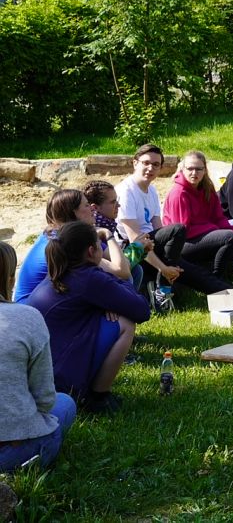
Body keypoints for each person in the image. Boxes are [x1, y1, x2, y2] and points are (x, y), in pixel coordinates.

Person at [25, 221, 151, 414]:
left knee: (114, 316)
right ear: (92, 251)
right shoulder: (89, 278)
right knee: (126, 323)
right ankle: (98, 396)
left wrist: (106, 302)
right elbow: (142, 310)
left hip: (37, 376)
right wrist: (116, 288)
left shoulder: (62, 270)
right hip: (59, 380)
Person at [116, 144, 231, 310]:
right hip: (132, 250)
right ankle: (163, 287)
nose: (150, 168)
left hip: (152, 246)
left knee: (197, 275)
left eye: (156, 165)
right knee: (178, 230)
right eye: (146, 163)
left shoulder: (152, 191)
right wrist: (164, 269)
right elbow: (136, 240)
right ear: (135, 163)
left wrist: (169, 262)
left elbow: (159, 230)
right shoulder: (126, 191)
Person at [0, 241, 77, 472]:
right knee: (64, 404)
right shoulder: (28, 318)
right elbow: (45, 400)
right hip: (12, 452)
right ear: (10, 278)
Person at [14, 189, 132, 302]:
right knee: (120, 299)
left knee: (132, 273)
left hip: (54, 298)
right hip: (34, 310)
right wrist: (108, 234)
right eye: (86, 205)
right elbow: (122, 271)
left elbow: (124, 266)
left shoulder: (72, 232)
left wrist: (107, 235)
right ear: (73, 212)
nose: (92, 207)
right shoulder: (66, 241)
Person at [163, 151, 233, 281]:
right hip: (183, 244)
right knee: (229, 238)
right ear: (182, 169)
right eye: (190, 168)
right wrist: (214, 228)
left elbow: (218, 217)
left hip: (203, 236)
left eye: (198, 169)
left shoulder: (207, 188)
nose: (194, 173)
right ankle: (215, 279)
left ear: (204, 170)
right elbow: (183, 232)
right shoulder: (179, 193)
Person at [84, 180, 151, 291]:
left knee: (136, 270)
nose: (118, 205)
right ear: (95, 208)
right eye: (113, 202)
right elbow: (120, 267)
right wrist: (137, 247)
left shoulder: (106, 224)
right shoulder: (96, 230)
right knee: (129, 276)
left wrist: (141, 248)